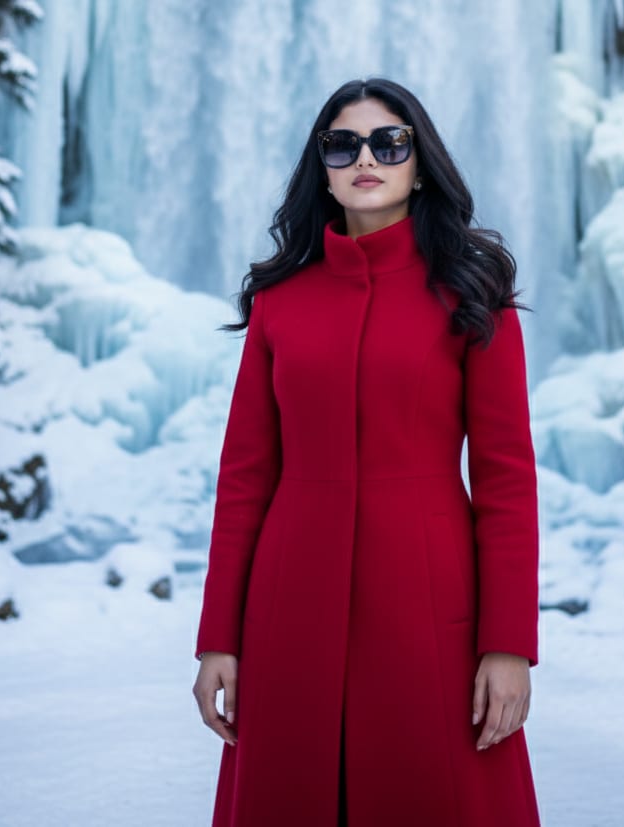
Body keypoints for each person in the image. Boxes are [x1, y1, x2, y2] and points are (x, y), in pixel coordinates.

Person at [192, 77, 541, 827]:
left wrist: (508, 644)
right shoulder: (279, 302)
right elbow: (244, 480)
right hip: (287, 604)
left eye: (389, 142)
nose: (365, 158)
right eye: (341, 144)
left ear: (420, 161)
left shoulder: (472, 295)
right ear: (320, 165)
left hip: (429, 601)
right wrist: (218, 636)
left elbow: (507, 483)